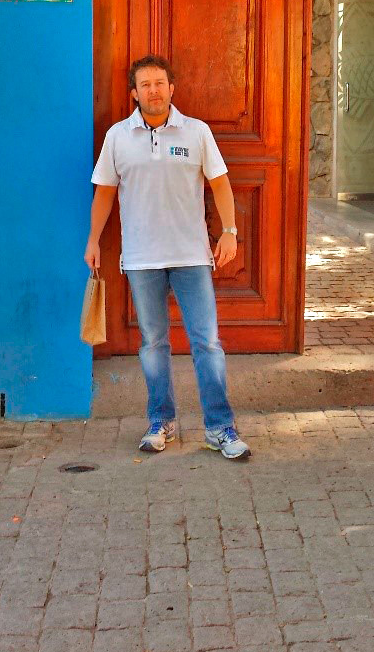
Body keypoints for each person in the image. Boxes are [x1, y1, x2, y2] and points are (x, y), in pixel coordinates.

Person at [84, 55, 250, 461]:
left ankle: (219, 428)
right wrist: (93, 241)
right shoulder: (118, 137)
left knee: (207, 342)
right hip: (141, 259)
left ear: (172, 88)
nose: (154, 90)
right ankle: (162, 421)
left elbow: (221, 183)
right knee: (153, 343)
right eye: (146, 84)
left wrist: (230, 232)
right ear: (134, 93)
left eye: (160, 82)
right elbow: (104, 193)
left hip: (192, 254)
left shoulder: (196, 132)